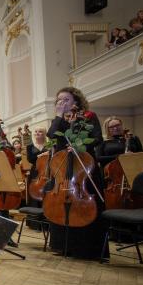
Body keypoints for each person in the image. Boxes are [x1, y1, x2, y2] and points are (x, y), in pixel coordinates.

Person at [46, 87, 105, 259]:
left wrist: (80, 146)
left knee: (85, 201)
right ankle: (63, 245)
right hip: (64, 169)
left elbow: (97, 138)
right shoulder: (59, 120)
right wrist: (58, 114)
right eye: (59, 101)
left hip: (83, 167)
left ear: (76, 101)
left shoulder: (88, 116)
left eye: (66, 100)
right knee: (60, 201)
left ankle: (86, 248)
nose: (61, 103)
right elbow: (52, 135)